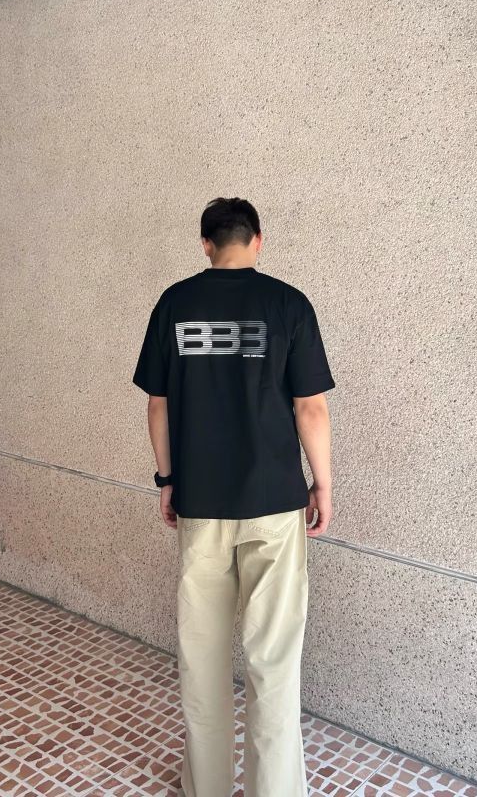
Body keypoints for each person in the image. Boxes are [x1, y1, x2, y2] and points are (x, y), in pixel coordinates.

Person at [132, 197, 335, 796]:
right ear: (258, 240)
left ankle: (209, 789)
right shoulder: (289, 304)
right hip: (275, 504)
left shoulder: (175, 304)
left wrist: (167, 480)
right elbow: (310, 407)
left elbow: (158, 404)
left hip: (201, 503)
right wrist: (322, 483)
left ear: (205, 244)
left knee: (202, 659)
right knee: (273, 661)